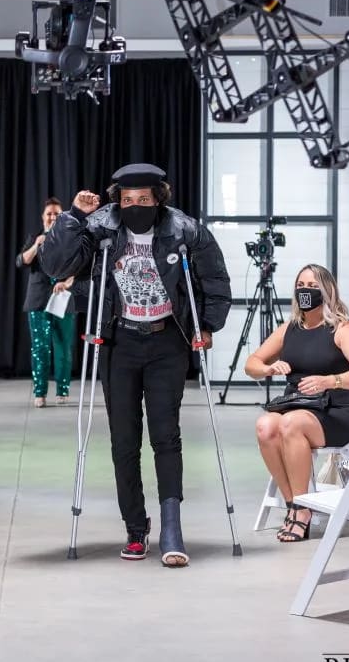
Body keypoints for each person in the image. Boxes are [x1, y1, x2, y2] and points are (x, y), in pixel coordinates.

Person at [40, 164, 232, 567]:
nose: (135, 206)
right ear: (117, 201)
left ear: (158, 198)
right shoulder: (101, 226)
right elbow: (56, 265)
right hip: (119, 342)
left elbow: (214, 279)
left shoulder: (184, 230)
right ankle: (135, 527)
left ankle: (172, 527)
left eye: (144, 199)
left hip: (167, 342)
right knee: (123, 441)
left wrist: (207, 325)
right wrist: (73, 216)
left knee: (166, 436)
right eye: (127, 200)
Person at [245, 264, 349, 543]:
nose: (306, 291)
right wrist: (269, 368)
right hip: (298, 407)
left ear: (327, 291)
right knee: (265, 425)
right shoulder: (289, 329)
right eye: (301, 286)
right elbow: (251, 364)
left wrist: (330, 381)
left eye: (313, 287)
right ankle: (295, 504)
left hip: (336, 411)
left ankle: (302, 509)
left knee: (290, 423)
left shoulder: (341, 329)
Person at [17, 197, 77, 407]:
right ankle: (40, 392)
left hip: (63, 300)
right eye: (49, 214)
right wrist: (36, 244)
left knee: (63, 348)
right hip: (39, 300)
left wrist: (66, 283)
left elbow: (80, 268)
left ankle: (62, 390)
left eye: (57, 214)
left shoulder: (70, 239)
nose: (52, 217)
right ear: (43, 217)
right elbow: (21, 261)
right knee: (40, 348)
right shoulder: (35, 237)